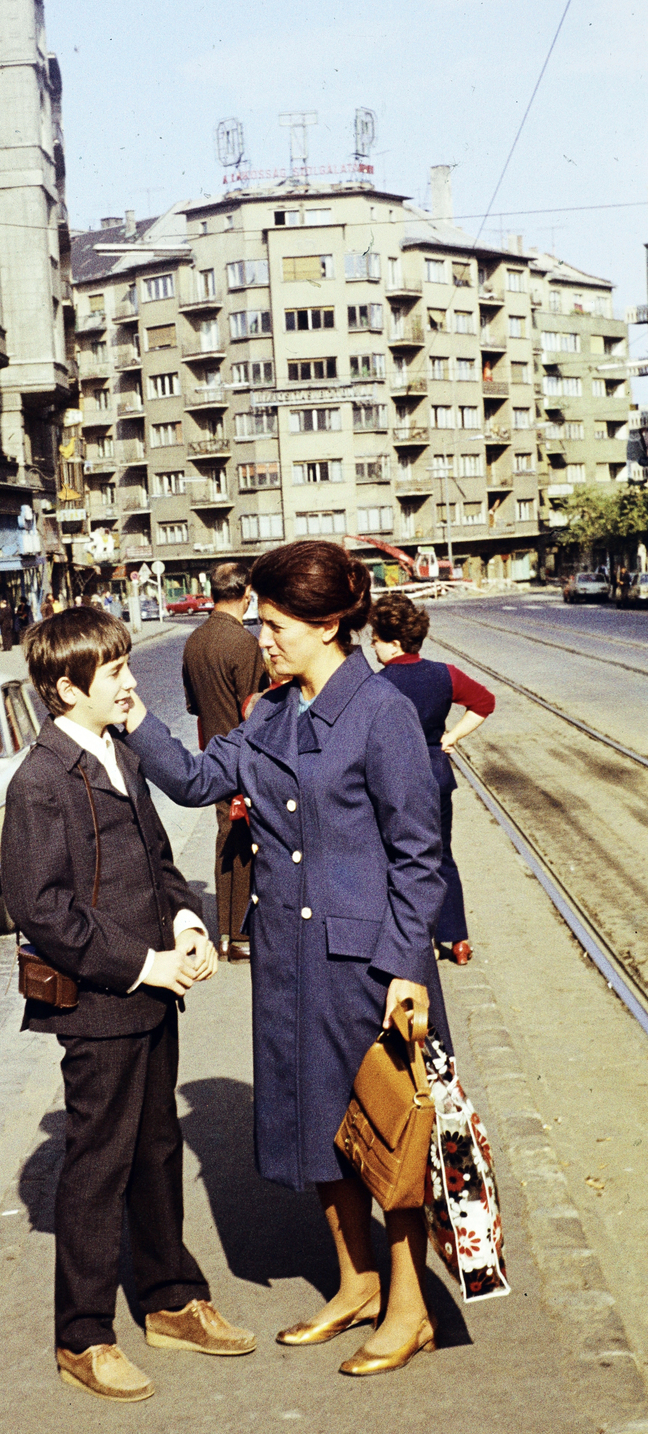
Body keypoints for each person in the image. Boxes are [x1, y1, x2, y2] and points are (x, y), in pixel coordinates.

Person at [124, 541, 453, 1377]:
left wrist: (407, 968)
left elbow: (419, 855)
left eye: (273, 625)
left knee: (387, 1133)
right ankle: (354, 1285)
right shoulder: (272, 714)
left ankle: (409, 1307)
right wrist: (134, 720)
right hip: (290, 960)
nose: (260, 639)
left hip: (368, 968)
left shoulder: (379, 714)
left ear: (325, 623)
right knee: (318, 1131)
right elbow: (198, 782)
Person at [1, 608, 255, 1403]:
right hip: (100, 1005)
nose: (129, 682)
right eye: (113, 672)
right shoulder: (39, 781)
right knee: (95, 1168)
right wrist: (144, 963)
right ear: (65, 687)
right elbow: (42, 910)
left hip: (150, 995)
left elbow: (155, 858)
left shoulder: (116, 753)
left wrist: (185, 920)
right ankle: (82, 1337)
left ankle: (170, 1300)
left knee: (154, 1153)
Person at [368, 592, 495, 966]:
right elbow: (485, 702)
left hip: (392, 783)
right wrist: (452, 736)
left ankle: (409, 938)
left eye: (375, 640)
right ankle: (457, 941)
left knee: (396, 859)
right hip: (435, 777)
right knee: (443, 857)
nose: (372, 647)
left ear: (392, 644)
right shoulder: (445, 674)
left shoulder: (376, 685)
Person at [180, 561, 268, 963]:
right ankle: (243, 935)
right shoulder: (244, 643)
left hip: (213, 754)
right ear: (246, 596)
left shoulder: (194, 641)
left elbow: (194, 705)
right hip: (246, 755)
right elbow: (255, 708)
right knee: (249, 842)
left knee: (225, 840)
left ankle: (227, 934)